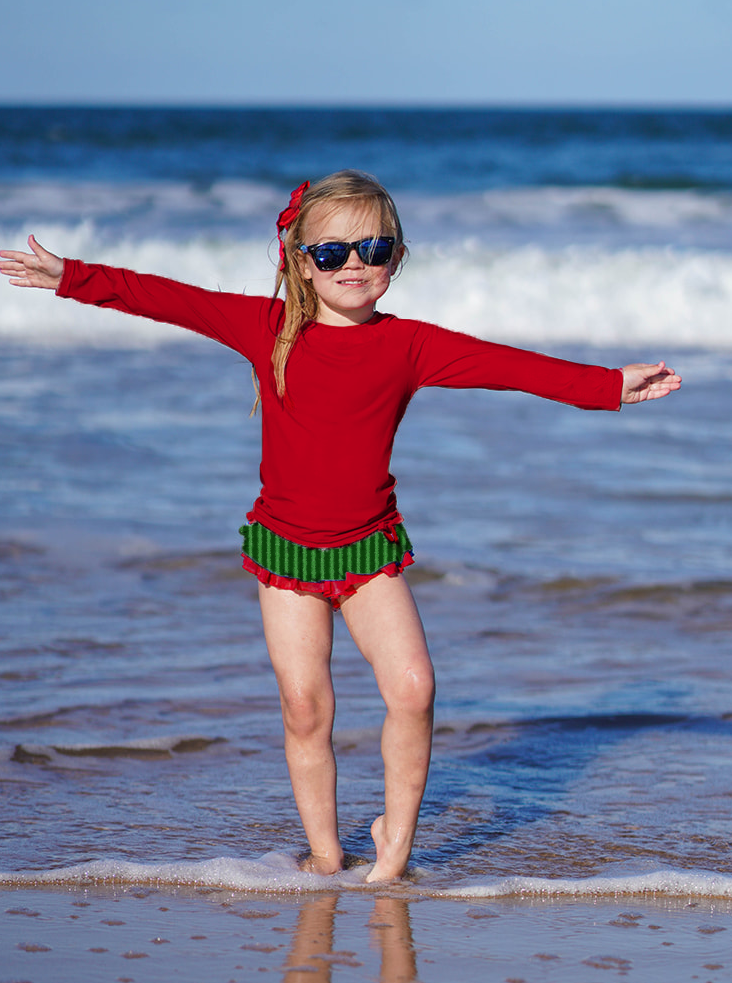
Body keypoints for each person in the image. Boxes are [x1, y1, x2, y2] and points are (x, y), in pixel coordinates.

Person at [0, 170, 681, 883]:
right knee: (304, 706)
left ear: (396, 257)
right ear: (300, 260)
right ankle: (325, 853)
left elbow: (508, 366)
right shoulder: (265, 329)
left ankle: (395, 847)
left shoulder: (410, 345)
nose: (354, 264)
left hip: (370, 549)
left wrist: (607, 385)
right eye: (332, 253)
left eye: (374, 248)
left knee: (414, 688)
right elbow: (171, 298)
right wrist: (69, 276)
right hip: (285, 548)